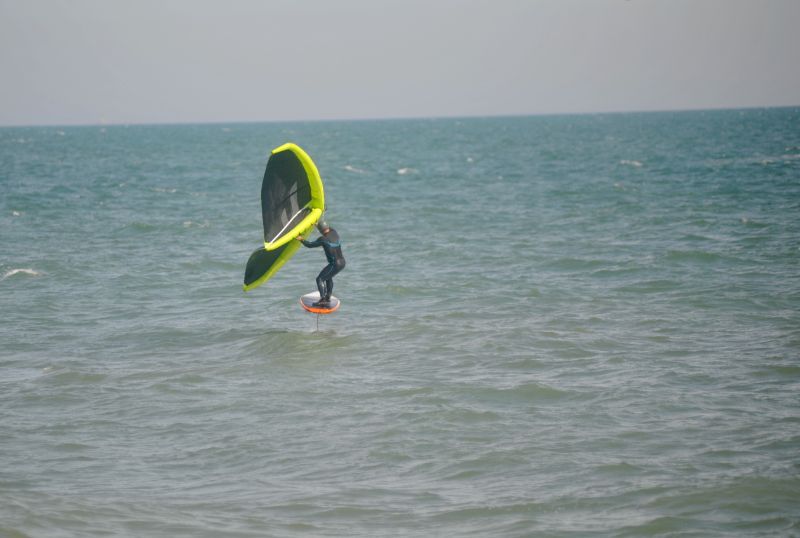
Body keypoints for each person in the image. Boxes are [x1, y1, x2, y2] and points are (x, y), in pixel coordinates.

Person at [297, 220, 346, 307]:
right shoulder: (334, 232)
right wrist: (317, 225)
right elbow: (327, 228)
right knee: (328, 277)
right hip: (342, 262)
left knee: (319, 279)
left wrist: (301, 239)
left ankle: (323, 299)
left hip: (335, 264)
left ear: (320, 230)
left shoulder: (323, 239)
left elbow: (310, 244)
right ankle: (328, 297)